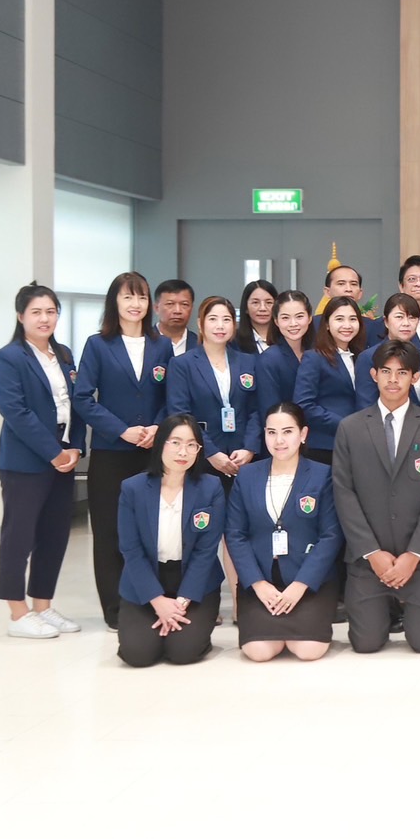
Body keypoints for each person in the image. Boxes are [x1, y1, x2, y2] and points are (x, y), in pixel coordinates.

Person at [332, 339, 420, 653]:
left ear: (415, 377)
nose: (393, 380)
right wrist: (372, 552)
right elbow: (344, 493)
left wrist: (414, 554)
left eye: (402, 373)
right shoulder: (350, 428)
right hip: (369, 557)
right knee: (366, 644)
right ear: (373, 375)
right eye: (385, 371)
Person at [72, 272, 172, 632]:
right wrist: (122, 430)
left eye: (142, 298)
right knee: (110, 531)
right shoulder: (98, 345)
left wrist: (158, 428)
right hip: (112, 451)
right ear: (114, 302)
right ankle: (114, 608)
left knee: (151, 529)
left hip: (151, 451)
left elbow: (169, 397)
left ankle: (150, 600)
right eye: (128, 297)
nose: (135, 304)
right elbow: (82, 397)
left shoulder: (161, 345)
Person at [0, 284, 86, 639]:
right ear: (21, 317)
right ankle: (17, 613)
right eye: (37, 312)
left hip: (63, 456)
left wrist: (75, 447)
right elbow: (16, 412)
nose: (45, 318)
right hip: (26, 462)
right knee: (19, 535)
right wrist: (54, 452)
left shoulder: (62, 354)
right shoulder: (10, 357)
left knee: (54, 535)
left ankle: (43, 605)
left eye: (51, 311)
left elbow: (77, 403)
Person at [226, 402, 342, 661]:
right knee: (259, 651)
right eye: (271, 432)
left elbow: (331, 535)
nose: (279, 440)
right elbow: (235, 534)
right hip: (262, 579)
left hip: (308, 581)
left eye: (287, 432)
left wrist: (299, 586)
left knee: (308, 649)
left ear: (303, 434)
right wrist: (258, 584)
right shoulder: (247, 476)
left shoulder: (323, 475)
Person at [115, 414, 223, 666]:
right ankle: (154, 620)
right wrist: (157, 600)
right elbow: (130, 549)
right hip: (147, 580)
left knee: (183, 652)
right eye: (175, 443)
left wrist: (180, 603)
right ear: (160, 443)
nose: (182, 451)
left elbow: (206, 551)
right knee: (137, 655)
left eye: (191, 445)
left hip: (194, 582)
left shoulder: (210, 487)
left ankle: (192, 628)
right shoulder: (133, 489)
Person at [166, 295, 262, 491]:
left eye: (226, 320)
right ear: (200, 324)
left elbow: (255, 410)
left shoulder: (248, 361)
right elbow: (180, 414)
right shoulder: (182, 364)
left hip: (243, 458)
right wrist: (211, 453)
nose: (220, 326)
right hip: (200, 457)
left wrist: (249, 448)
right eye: (213, 319)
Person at [294, 295, 368, 465]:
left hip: (357, 445)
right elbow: (304, 404)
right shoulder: (314, 357)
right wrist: (345, 425)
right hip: (325, 446)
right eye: (339, 319)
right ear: (327, 324)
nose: (347, 325)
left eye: (352, 319)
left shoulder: (362, 356)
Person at [354, 293, 420, 409]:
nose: (406, 323)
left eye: (412, 318)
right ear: (386, 321)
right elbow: (366, 406)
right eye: (399, 317)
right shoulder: (368, 358)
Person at [255, 289, 314, 415]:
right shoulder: (269, 360)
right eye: (285, 318)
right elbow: (269, 409)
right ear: (276, 321)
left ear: (309, 318)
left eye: (299, 316)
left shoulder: (317, 352)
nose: (293, 324)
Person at [153, 278, 198, 355]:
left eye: (184, 304)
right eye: (170, 304)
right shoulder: (143, 341)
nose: (177, 311)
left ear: (191, 308)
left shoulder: (201, 345)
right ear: (156, 308)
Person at [234, 279, 277, 354]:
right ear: (246, 307)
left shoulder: (287, 338)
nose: (262, 308)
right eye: (255, 302)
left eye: (269, 302)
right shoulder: (234, 341)